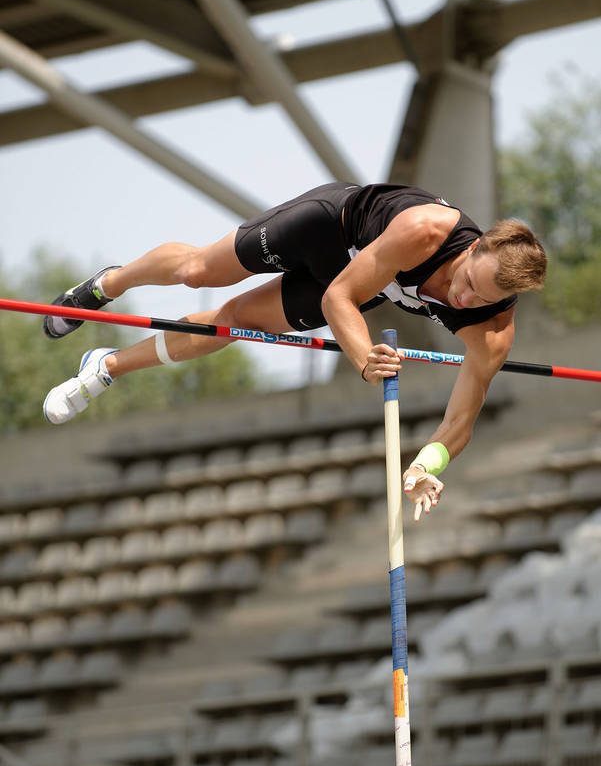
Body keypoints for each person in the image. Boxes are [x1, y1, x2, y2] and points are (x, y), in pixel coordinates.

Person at [41, 182, 546, 521]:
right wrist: (364, 359)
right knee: (199, 272)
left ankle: (105, 366)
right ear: (474, 247)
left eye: (483, 300)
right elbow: (337, 298)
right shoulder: (426, 231)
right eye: (467, 283)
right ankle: (112, 282)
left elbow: (460, 421)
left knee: (235, 323)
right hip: (329, 226)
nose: (463, 300)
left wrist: (423, 466)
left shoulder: (492, 328)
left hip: (363, 279)